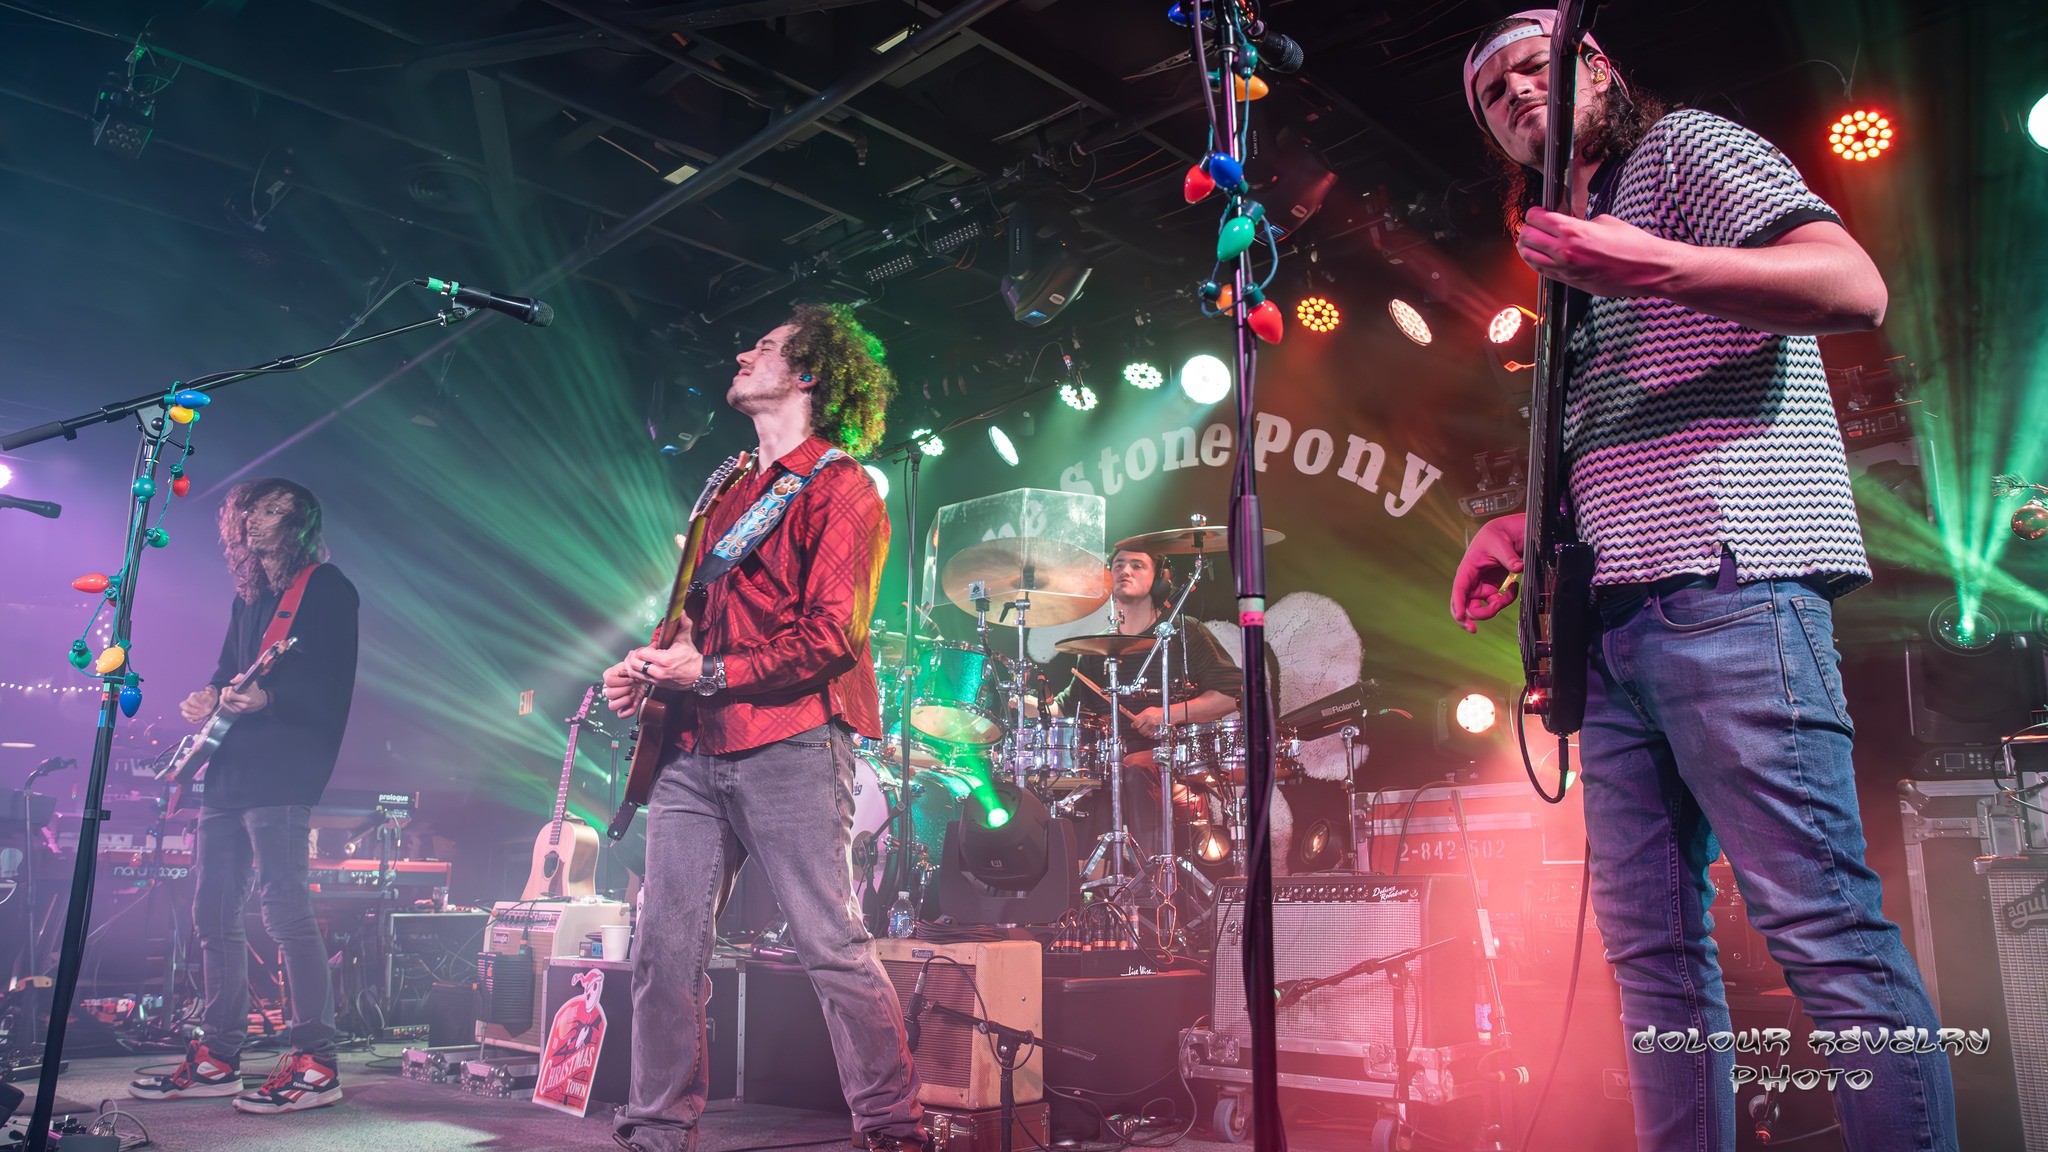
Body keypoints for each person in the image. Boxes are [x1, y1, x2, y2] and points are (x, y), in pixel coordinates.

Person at [1448, 12, 1956, 1152]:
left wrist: (1652, 262)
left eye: (1539, 64)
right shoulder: (1561, 236)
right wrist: (1525, 524)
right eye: (1493, 91)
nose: (1520, 92)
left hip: (1729, 588)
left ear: (1598, 68)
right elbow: (1626, 430)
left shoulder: (1681, 152)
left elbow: (1849, 283)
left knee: (1820, 931)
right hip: (1614, 626)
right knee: (1653, 964)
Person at [602, 303, 922, 1152]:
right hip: (694, 748)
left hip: (792, 741)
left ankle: (894, 1129)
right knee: (663, 951)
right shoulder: (727, 487)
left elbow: (831, 638)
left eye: (769, 348)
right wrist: (649, 663)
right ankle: (658, 1129)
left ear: (810, 376)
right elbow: (693, 622)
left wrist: (703, 672)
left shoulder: (842, 486)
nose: (743, 352)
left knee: (832, 946)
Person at [131, 478, 358, 1115]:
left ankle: (317, 1060)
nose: (259, 524)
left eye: (276, 513)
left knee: (285, 912)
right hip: (227, 770)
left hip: (283, 772)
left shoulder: (327, 588)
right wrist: (208, 696)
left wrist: (271, 699)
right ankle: (219, 1054)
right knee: (212, 915)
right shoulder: (250, 597)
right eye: (251, 513)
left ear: (301, 525)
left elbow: (334, 686)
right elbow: (229, 668)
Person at [1043, 548, 1243, 859]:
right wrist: (1023, 701)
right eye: (1118, 565)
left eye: (1137, 565)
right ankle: (1081, 890)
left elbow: (1233, 695)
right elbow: (1064, 710)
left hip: (1174, 755)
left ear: (1160, 581)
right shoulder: (1097, 647)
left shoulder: (1184, 634)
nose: (1125, 570)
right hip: (1111, 759)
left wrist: (1168, 714)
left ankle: (1151, 882)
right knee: (1059, 776)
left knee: (1132, 768)